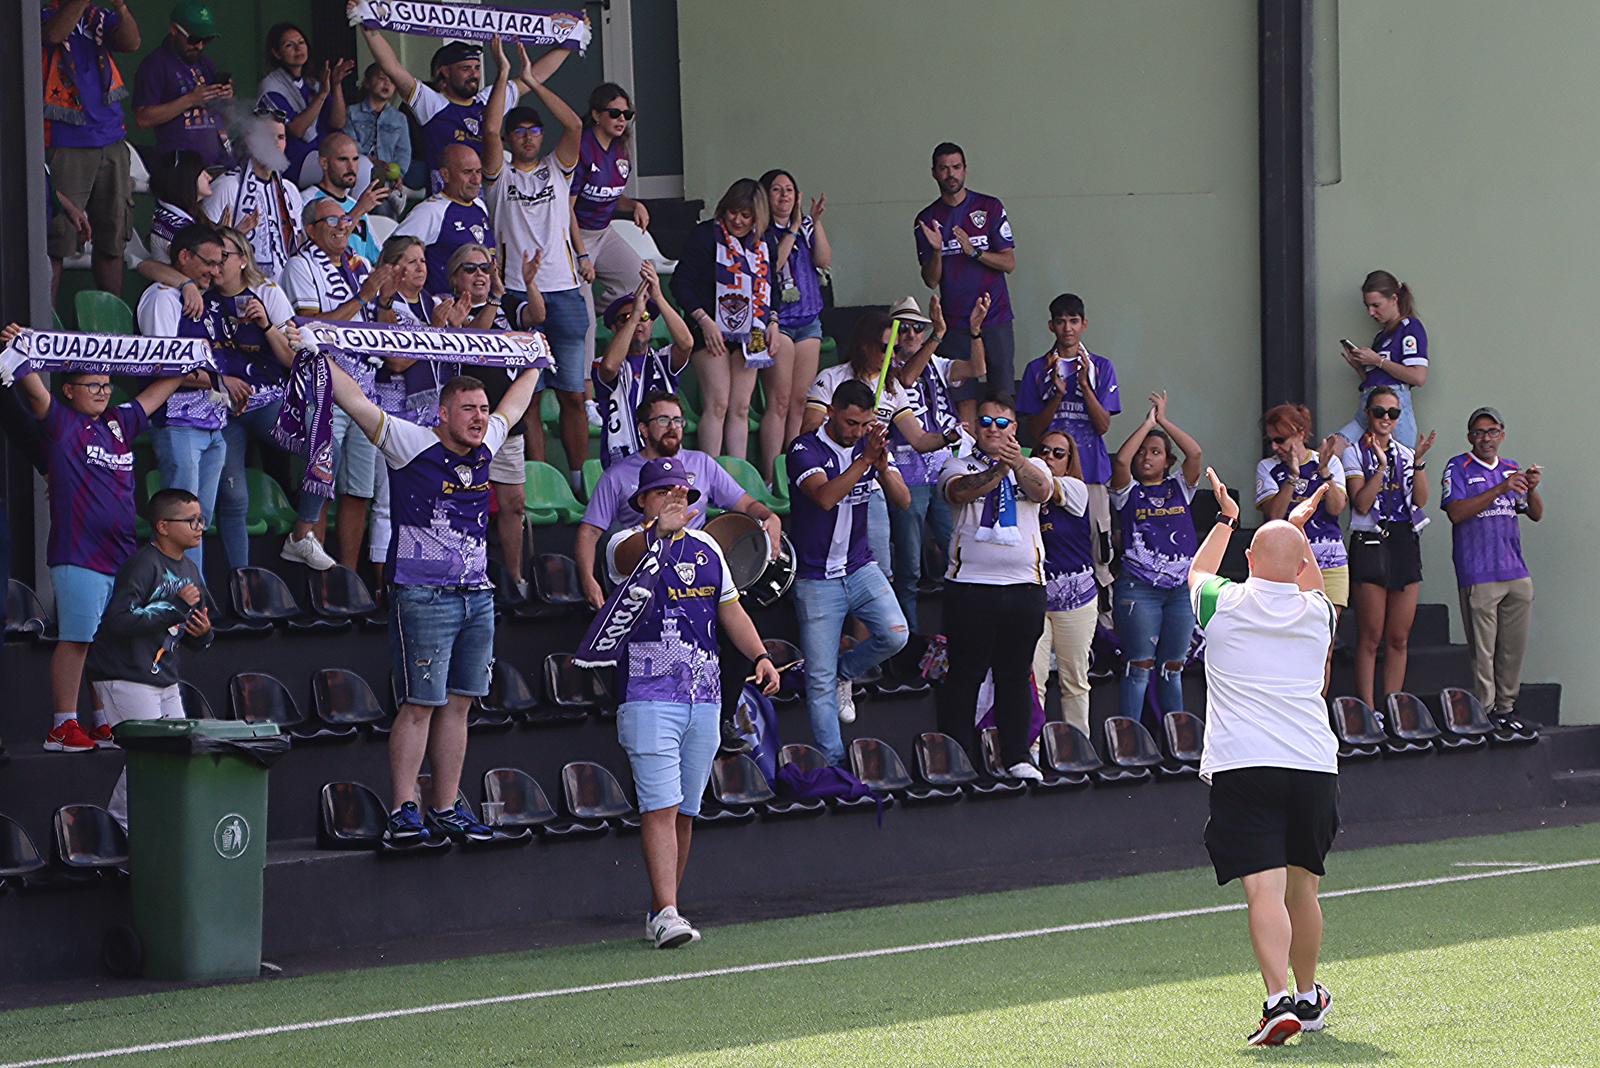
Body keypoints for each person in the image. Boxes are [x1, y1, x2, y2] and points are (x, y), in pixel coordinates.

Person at [315, 345, 544, 846]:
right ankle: (403, 808)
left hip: (477, 596)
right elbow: (355, 401)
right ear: (443, 414)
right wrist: (318, 355)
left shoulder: (488, 445)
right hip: (422, 595)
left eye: (483, 409)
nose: (481, 418)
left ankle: (445, 807)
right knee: (420, 704)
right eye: (468, 409)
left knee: (460, 705)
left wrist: (534, 361)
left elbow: (515, 406)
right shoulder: (409, 442)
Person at [1188, 467, 1340, 1047]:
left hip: (1243, 764)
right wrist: (1297, 528)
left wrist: (1227, 518)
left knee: (1264, 890)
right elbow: (1312, 583)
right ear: (1303, 565)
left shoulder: (1221, 603)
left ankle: (1278, 1000)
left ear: (1248, 558)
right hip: (1311, 765)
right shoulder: (1318, 614)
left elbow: (1198, 570)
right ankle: (1308, 995)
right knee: (1305, 888)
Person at [607, 458, 782, 948]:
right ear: (643, 500)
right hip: (646, 694)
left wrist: (761, 655)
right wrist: (656, 533)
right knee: (660, 807)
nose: (675, 498)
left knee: (685, 810)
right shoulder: (625, 543)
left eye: (681, 491)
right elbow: (623, 562)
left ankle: (667, 909)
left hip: (704, 694)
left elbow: (731, 610)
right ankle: (665, 911)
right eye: (663, 491)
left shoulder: (707, 547)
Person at [0, 321, 183, 754]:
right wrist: (21, 348)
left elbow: (160, 391)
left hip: (121, 553)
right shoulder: (60, 422)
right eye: (91, 385)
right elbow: (34, 391)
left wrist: (189, 358)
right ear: (69, 390)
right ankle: (63, 725)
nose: (102, 391)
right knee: (79, 638)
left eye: (106, 384)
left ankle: (102, 721)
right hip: (78, 552)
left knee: (110, 641)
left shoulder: (121, 422)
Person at [479, 39, 591, 489]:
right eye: (519, 130)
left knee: (573, 395)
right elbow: (487, 133)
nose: (527, 135)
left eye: (533, 129)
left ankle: (579, 478)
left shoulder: (557, 168)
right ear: (510, 140)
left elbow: (576, 124)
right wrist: (504, 74)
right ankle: (540, 482)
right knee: (527, 400)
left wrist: (533, 83)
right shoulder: (498, 174)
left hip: (562, 289)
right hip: (516, 294)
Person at [787, 379, 911, 764]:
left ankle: (847, 670)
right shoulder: (803, 448)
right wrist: (864, 460)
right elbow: (825, 498)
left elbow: (904, 502)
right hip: (815, 578)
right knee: (817, 681)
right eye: (852, 423)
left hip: (859, 566)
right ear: (832, 413)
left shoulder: (867, 447)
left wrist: (884, 465)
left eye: (864, 424)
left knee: (896, 634)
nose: (858, 431)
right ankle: (836, 764)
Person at [938, 394, 1053, 777]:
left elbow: (1042, 491)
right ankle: (959, 758)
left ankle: (1017, 756)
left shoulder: (1032, 464)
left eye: (1002, 424)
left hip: (1024, 586)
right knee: (965, 675)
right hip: (970, 586)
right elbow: (960, 491)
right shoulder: (957, 462)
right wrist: (1000, 470)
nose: (993, 429)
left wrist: (1016, 462)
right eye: (986, 423)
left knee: (1015, 674)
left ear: (1014, 430)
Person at [280, 196, 398, 571]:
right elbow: (311, 326)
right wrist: (364, 296)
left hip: (365, 388)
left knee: (359, 491)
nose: (342, 225)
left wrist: (384, 300)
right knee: (322, 485)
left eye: (346, 219)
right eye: (331, 220)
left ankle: (344, 578)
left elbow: (378, 328)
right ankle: (317, 580)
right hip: (325, 387)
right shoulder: (300, 265)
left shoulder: (360, 265)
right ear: (311, 230)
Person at [577, 391, 781, 609]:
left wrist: (770, 516)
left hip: (697, 574)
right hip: (644, 577)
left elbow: (746, 504)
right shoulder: (617, 475)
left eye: (677, 421)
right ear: (643, 429)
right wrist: (587, 579)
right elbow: (589, 532)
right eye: (663, 420)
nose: (672, 427)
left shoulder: (702, 463)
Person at [88, 488, 213, 828]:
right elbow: (118, 620)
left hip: (163, 676)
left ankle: (155, 828)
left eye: (201, 519)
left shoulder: (190, 568)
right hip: (125, 674)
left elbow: (189, 630)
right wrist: (176, 607)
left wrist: (202, 636)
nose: (199, 526)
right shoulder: (142, 565)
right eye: (191, 520)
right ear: (162, 526)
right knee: (150, 754)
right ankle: (119, 827)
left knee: (176, 753)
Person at [802, 310, 953, 588]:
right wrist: (854, 425)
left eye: (896, 349)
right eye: (886, 348)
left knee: (874, 573)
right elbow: (809, 427)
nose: (892, 354)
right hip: (831, 477)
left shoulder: (893, 389)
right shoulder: (832, 377)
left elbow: (918, 439)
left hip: (870, 487)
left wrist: (949, 436)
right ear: (865, 345)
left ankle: (865, 633)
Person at [355, 8, 565, 185]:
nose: (474, 74)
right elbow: (392, 67)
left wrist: (572, 39)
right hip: (449, 202)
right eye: (465, 68)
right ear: (444, 71)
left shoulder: (488, 100)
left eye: (476, 68)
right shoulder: (433, 104)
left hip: (493, 200)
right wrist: (365, 21)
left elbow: (535, 76)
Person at [444, 242, 543, 595]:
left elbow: (538, 316)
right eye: (471, 269)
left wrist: (529, 284)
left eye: (485, 268)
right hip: (464, 424)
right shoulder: (447, 306)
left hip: (506, 420)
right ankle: (467, 574)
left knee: (514, 504)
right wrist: (496, 301)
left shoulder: (506, 303)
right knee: (465, 502)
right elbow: (476, 340)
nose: (480, 275)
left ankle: (515, 578)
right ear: (456, 277)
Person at [135, 223, 227, 575]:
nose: (216, 272)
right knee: (180, 525)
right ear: (184, 257)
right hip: (177, 424)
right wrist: (220, 380)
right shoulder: (162, 297)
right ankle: (180, 600)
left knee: (197, 523)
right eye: (209, 262)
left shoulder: (206, 299)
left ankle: (194, 598)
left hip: (213, 425)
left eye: (221, 264)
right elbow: (162, 365)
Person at [1109, 391, 1205, 722]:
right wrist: (1146, 424)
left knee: (1172, 666)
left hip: (1180, 589)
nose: (1146, 458)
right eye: (1143, 453)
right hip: (1139, 588)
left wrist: (1164, 421)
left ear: (1168, 461)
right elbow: (1120, 462)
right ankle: (1129, 742)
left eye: (1156, 452)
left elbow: (1194, 452)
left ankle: (1176, 740)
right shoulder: (1127, 492)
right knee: (1139, 665)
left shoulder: (1180, 487)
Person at [1441, 407, 1542, 720]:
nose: (1487, 438)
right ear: (1470, 436)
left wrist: (1533, 487)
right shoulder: (1458, 466)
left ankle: (1506, 710)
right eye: (1480, 432)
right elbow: (1455, 512)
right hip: (1479, 571)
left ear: (1502, 434)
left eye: (1493, 431)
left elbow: (1535, 514)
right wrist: (1499, 488)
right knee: (1483, 652)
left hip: (1515, 570)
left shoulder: (1511, 468)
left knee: (1512, 649)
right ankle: (1484, 712)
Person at [1016, 293, 1121, 592]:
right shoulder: (1037, 370)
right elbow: (1035, 432)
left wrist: (1085, 386)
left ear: (1084, 324)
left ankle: (1102, 623)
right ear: (1051, 326)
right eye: (1061, 321)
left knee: (1099, 550)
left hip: (1091, 473)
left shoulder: (1101, 366)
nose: (1067, 328)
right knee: (1045, 544)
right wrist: (1057, 394)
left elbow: (1103, 426)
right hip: (1046, 477)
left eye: (1073, 321)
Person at [669, 179, 779, 461]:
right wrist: (703, 321)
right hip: (709, 328)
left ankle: (736, 478)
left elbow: (772, 287)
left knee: (741, 408)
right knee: (717, 403)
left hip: (752, 330)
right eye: (733, 212)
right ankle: (710, 473)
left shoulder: (765, 242)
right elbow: (681, 283)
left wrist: (773, 323)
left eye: (746, 215)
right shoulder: (706, 235)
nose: (738, 221)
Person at [884, 295, 979, 619]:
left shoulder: (937, 363)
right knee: (909, 567)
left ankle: (962, 631)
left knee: (959, 553)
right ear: (891, 334)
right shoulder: (883, 368)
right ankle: (908, 643)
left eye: (917, 328)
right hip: (906, 474)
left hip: (942, 471)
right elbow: (907, 379)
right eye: (903, 328)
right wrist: (937, 334)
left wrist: (975, 332)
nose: (911, 334)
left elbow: (977, 368)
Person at [1341, 387, 1435, 709]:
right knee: (1371, 635)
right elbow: (1362, 502)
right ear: (1368, 414)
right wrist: (1381, 468)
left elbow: (1421, 501)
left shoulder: (1406, 453)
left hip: (1403, 539)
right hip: (1370, 539)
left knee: (1399, 636)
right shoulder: (1354, 452)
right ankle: (1367, 710)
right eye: (1379, 411)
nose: (1385, 418)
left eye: (1392, 413)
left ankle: (1393, 707)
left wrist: (1419, 462)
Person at [42, 0, 142, 300]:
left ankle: (114, 331)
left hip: (110, 137)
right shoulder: (44, 10)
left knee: (112, 238)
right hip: (66, 140)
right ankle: (43, 328)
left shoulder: (97, 15)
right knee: (56, 242)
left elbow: (132, 42)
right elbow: (54, 35)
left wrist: (121, 8)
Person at [211, 226, 298, 571]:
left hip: (266, 400)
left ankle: (304, 532)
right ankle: (241, 581)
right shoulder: (197, 293)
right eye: (211, 258)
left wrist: (266, 327)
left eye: (223, 257)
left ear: (243, 260)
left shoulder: (266, 292)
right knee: (234, 496)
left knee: (324, 450)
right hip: (220, 407)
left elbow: (292, 360)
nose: (216, 265)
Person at [913, 142, 1016, 420]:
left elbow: (1009, 263)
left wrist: (975, 252)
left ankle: (1005, 461)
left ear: (965, 170)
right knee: (963, 402)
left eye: (956, 167)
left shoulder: (990, 207)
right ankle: (965, 462)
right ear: (934, 173)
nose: (951, 174)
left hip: (994, 318)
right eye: (944, 168)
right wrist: (936, 251)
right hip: (955, 323)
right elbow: (930, 280)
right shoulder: (926, 219)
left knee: (1002, 397)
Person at [1255, 404, 1350, 655]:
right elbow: (1275, 515)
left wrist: (1324, 472)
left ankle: (1319, 696)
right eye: (1271, 441)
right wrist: (1293, 476)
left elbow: (1336, 508)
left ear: (1299, 433)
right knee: (1288, 645)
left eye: (1280, 440)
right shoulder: (1268, 467)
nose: (1275, 447)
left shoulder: (1327, 463)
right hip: (1287, 565)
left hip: (1330, 562)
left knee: (1323, 647)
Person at [759, 169, 832, 462]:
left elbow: (824, 259)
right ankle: (768, 473)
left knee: (801, 402)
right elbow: (774, 264)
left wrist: (815, 221)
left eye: (789, 189)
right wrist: (790, 230)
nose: (784, 195)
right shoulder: (762, 230)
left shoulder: (805, 225)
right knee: (779, 401)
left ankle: (791, 467)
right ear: (765, 196)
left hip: (808, 321)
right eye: (777, 190)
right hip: (780, 322)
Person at [1029, 430, 1098, 738]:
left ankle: (1078, 748)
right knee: (1034, 680)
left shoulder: (1075, 487)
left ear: (1070, 463)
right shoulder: (1022, 494)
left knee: (1075, 680)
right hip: (1034, 599)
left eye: (1059, 453)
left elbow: (1047, 487)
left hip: (1076, 599)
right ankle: (1032, 751)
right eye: (1043, 450)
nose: (1049, 457)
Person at [572, 83, 648, 363]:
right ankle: (587, 390)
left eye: (627, 114)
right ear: (596, 114)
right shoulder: (582, 147)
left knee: (639, 279)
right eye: (615, 113)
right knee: (585, 319)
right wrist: (581, 254)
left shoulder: (620, 149)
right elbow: (566, 208)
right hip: (574, 234)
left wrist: (634, 205)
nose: (622, 120)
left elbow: (610, 195)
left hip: (604, 232)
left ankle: (606, 316)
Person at [594, 264, 693, 468]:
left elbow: (686, 344)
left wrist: (658, 296)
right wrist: (636, 314)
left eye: (644, 317)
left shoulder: (662, 360)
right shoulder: (601, 363)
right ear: (614, 328)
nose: (638, 321)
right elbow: (610, 367)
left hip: (664, 461)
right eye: (626, 318)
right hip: (623, 464)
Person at [202, 109, 305, 284]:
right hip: (242, 288)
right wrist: (235, 235)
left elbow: (299, 242)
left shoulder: (290, 191)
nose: (275, 144)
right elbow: (204, 249)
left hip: (288, 287)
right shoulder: (227, 187)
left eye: (281, 137)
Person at [1334, 270, 1427, 450]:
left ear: (1394, 299)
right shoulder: (1381, 336)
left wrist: (1378, 361)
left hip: (1391, 410)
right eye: (1367, 306)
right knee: (1331, 449)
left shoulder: (1409, 328)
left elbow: (1418, 376)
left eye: (1376, 305)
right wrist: (1361, 369)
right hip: (1368, 407)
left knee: (1396, 467)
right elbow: (1378, 381)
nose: (1371, 312)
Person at [131, 1, 231, 168]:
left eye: (206, 40)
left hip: (218, 162)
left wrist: (227, 98)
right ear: (174, 30)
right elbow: (142, 119)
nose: (199, 46)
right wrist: (190, 100)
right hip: (180, 168)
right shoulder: (155, 64)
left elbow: (229, 117)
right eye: (194, 39)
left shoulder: (206, 64)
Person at [256, 22, 353, 187]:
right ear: (276, 53)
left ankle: (355, 212)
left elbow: (338, 122)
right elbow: (296, 130)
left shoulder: (312, 82)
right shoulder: (270, 87)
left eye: (301, 43)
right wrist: (322, 94)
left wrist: (336, 86)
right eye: (289, 45)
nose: (298, 49)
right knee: (341, 169)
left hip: (323, 154)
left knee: (363, 166)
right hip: (295, 162)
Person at [395, 144, 496, 296]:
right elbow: (393, 253)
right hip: (444, 309)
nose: (476, 180)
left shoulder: (479, 205)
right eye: (467, 172)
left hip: (481, 305)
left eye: (478, 172)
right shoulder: (429, 212)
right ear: (445, 175)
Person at [302, 132, 390, 267]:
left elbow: (377, 256)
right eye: (343, 160)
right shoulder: (307, 200)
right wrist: (359, 210)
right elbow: (310, 248)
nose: (351, 167)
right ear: (324, 163)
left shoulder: (356, 204)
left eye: (355, 159)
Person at [343, 63, 411, 219]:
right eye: (381, 78)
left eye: (392, 81)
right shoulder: (352, 112)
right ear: (367, 82)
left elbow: (403, 151)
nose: (387, 83)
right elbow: (350, 143)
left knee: (385, 212)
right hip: (359, 175)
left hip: (386, 179)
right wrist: (371, 161)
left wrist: (398, 174)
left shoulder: (399, 119)